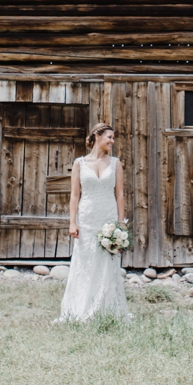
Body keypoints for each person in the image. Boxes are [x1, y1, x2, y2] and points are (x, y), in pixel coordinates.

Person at [56, 122, 130, 322]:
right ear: (97, 136)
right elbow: (74, 195)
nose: (112, 142)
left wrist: (120, 223)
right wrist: (73, 222)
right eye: (109, 137)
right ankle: (80, 306)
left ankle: (106, 307)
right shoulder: (79, 163)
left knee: (107, 260)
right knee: (86, 259)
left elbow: (120, 194)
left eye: (113, 138)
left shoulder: (116, 163)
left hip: (108, 216)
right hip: (87, 217)